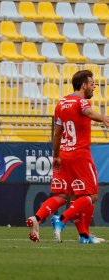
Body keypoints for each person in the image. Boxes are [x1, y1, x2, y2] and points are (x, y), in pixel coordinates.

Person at [27, 70, 109, 243]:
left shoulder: (61, 103)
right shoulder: (81, 102)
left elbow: (57, 133)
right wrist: (104, 118)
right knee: (91, 196)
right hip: (80, 154)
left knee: (68, 195)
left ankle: (80, 234)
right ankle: (61, 220)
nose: (94, 87)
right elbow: (88, 113)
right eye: (92, 84)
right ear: (83, 85)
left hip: (64, 154)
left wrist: (56, 155)